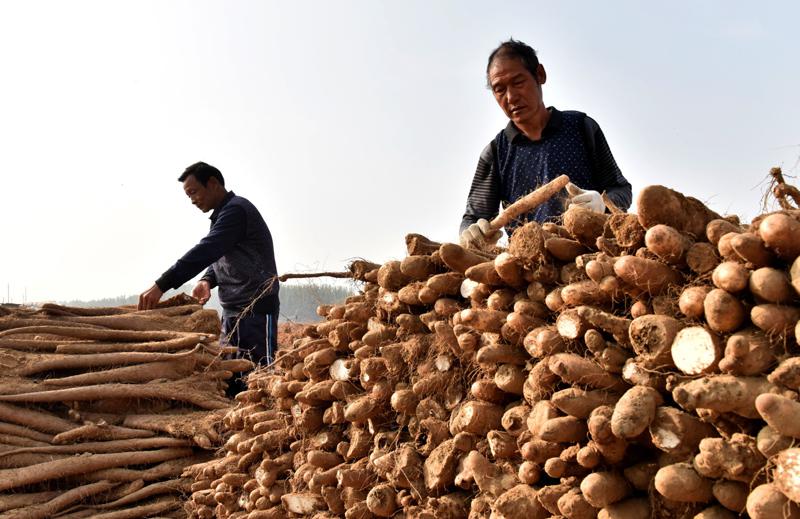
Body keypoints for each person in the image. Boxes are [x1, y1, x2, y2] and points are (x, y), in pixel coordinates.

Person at [460, 39, 632, 248]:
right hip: (527, 263)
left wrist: (602, 204)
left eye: (518, 82)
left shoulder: (581, 127)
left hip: (589, 250)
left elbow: (621, 190)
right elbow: (473, 218)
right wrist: (470, 233)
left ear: (540, 74)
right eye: (499, 89)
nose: (511, 97)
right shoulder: (496, 152)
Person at [138, 162, 280, 389]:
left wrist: (162, 284)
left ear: (213, 183)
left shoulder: (236, 210)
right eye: (188, 196)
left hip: (255, 309)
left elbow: (208, 249)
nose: (192, 200)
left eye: (194, 192)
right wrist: (207, 279)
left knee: (257, 384)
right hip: (234, 311)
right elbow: (219, 255)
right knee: (233, 383)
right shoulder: (223, 215)